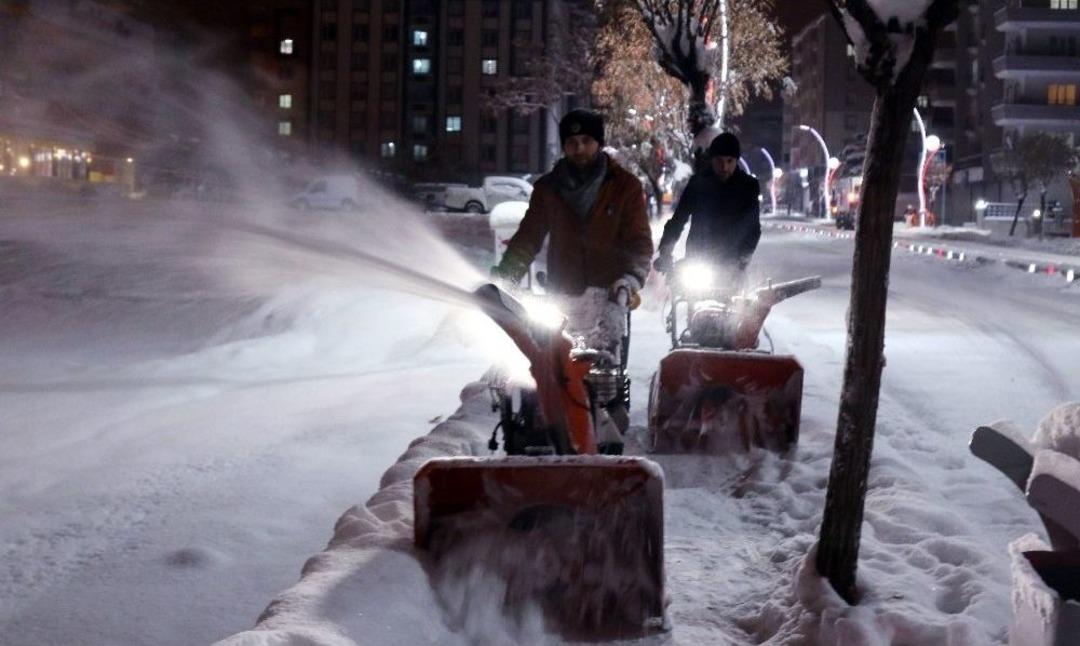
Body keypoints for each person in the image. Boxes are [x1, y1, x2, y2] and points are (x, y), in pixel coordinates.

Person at [491, 109, 654, 309]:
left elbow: (639, 240)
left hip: (610, 297)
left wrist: (630, 279)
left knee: (606, 341)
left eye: (586, 140)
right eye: (571, 142)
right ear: (564, 147)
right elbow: (528, 237)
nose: (579, 148)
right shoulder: (548, 188)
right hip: (561, 296)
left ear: (599, 143)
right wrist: (506, 277)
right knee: (552, 341)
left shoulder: (625, 186)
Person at [654, 132, 761, 285]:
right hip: (697, 261)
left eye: (729, 161)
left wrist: (742, 260)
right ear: (712, 160)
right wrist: (666, 249)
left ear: (736, 161)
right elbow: (678, 219)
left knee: (739, 305)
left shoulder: (748, 187)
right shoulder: (697, 184)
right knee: (681, 298)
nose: (724, 166)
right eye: (719, 161)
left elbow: (753, 229)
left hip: (732, 266)